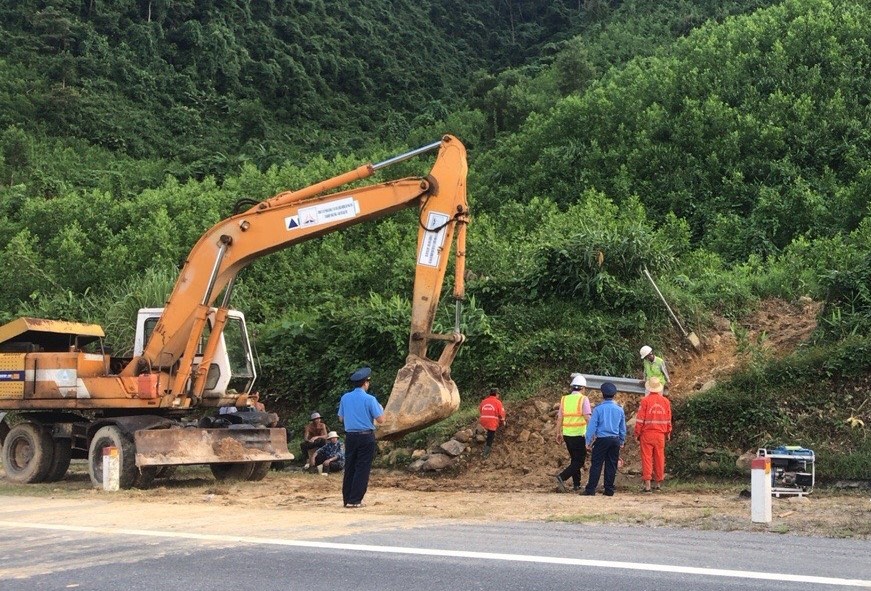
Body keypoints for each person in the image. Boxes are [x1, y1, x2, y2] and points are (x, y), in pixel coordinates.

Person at [338, 367, 384, 508]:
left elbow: (341, 418)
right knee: (362, 468)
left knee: (350, 466)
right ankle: (356, 499)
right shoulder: (370, 399)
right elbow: (381, 419)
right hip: (365, 436)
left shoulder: (345, 398)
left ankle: (347, 499)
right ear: (365, 383)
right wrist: (380, 408)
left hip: (350, 436)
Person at [582, 382, 626, 496]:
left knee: (597, 464)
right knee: (611, 464)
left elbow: (592, 427)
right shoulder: (619, 409)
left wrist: (587, 441)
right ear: (614, 395)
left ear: (602, 394)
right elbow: (622, 428)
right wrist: (621, 441)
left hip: (602, 440)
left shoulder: (598, 409)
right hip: (615, 439)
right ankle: (609, 489)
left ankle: (591, 489)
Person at [554, 374, 592, 493]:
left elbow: (560, 417)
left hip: (567, 434)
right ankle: (562, 477)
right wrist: (593, 433)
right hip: (579, 434)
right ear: (582, 388)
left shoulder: (564, 399)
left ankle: (576, 484)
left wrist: (557, 433)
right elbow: (587, 418)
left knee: (574, 459)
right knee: (579, 461)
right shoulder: (583, 399)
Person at [635, 376, 672, 492]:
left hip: (647, 434)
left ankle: (647, 486)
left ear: (649, 388)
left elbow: (640, 419)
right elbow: (668, 419)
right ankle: (658, 484)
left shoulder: (645, 401)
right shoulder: (665, 402)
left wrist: (637, 433)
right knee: (659, 457)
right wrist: (668, 432)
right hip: (660, 435)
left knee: (647, 458)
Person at [479, 388, 507, 457]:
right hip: (491, 422)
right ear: (497, 394)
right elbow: (501, 414)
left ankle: (485, 435)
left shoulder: (483, 401)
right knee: (491, 436)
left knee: (488, 431)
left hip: (483, 421)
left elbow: (480, 410)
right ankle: (486, 453)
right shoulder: (498, 402)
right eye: (498, 394)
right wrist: (503, 422)